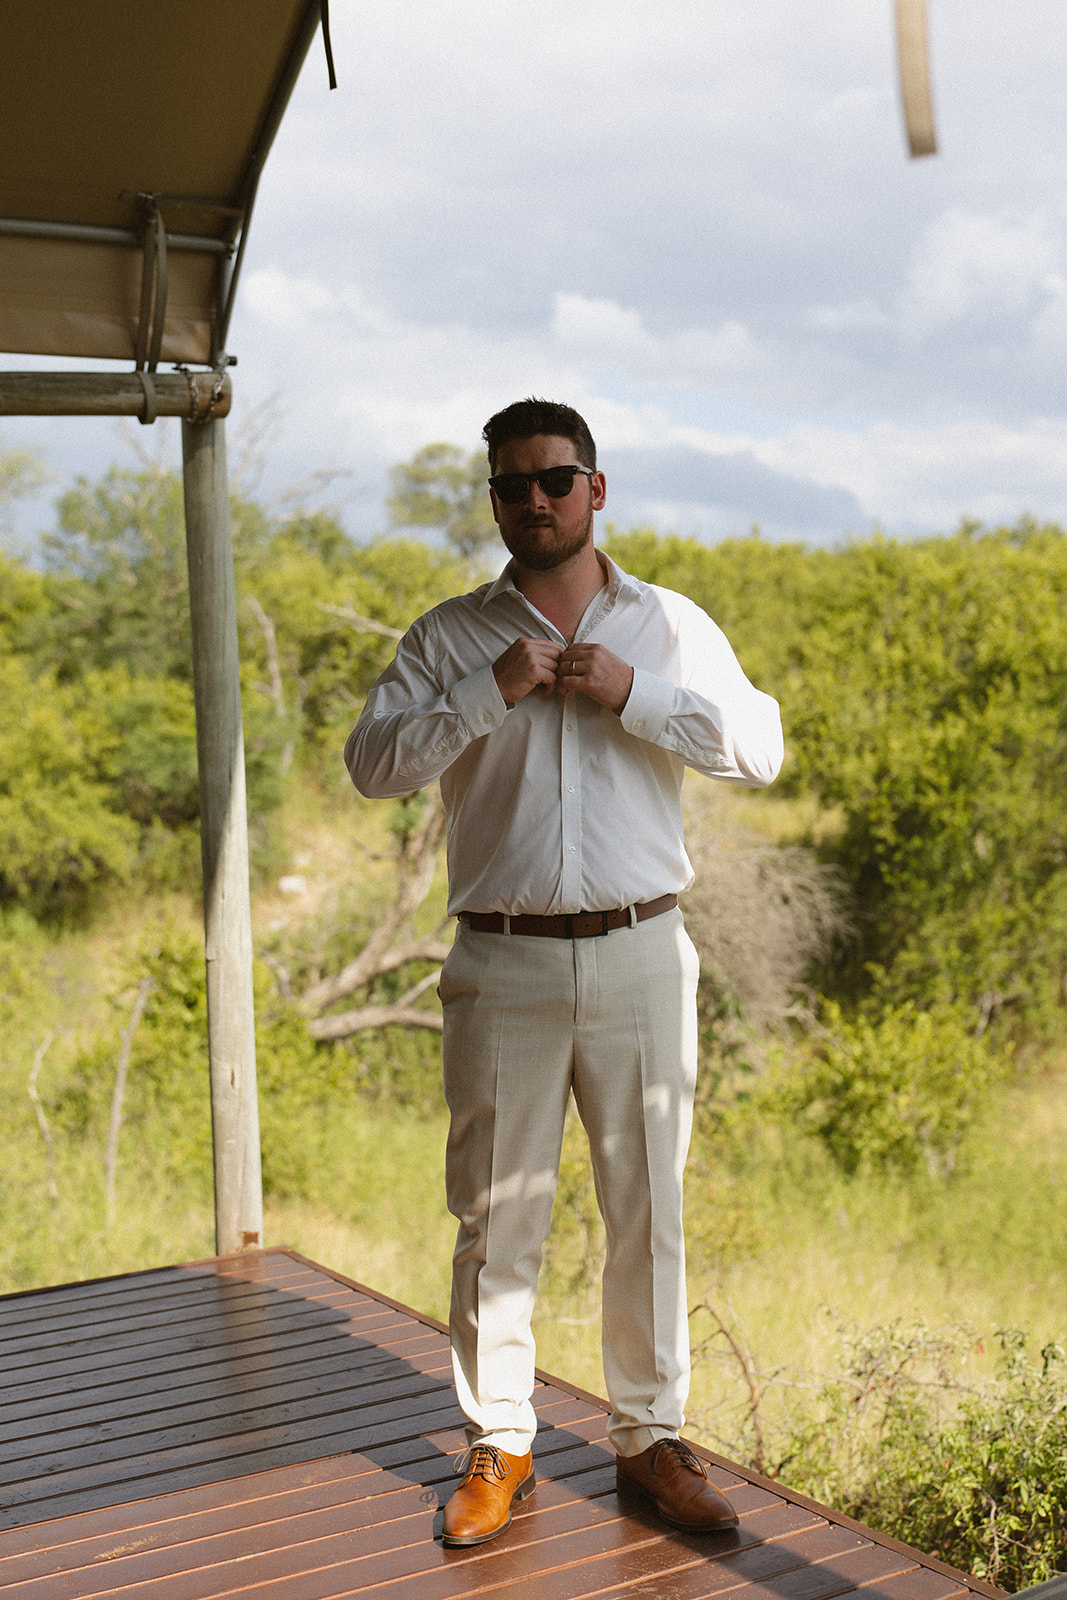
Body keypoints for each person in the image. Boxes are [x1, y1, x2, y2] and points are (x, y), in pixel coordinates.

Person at [345, 397, 783, 1548]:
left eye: (554, 479)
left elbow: (759, 745)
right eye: (512, 484)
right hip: (502, 959)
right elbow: (372, 764)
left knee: (648, 1207)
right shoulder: (449, 637)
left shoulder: (668, 625)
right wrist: (483, 691)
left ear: (595, 488)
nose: (533, 500)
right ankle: (500, 1442)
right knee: (495, 1215)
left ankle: (649, 1440)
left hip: (642, 949)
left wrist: (635, 693)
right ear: (494, 500)